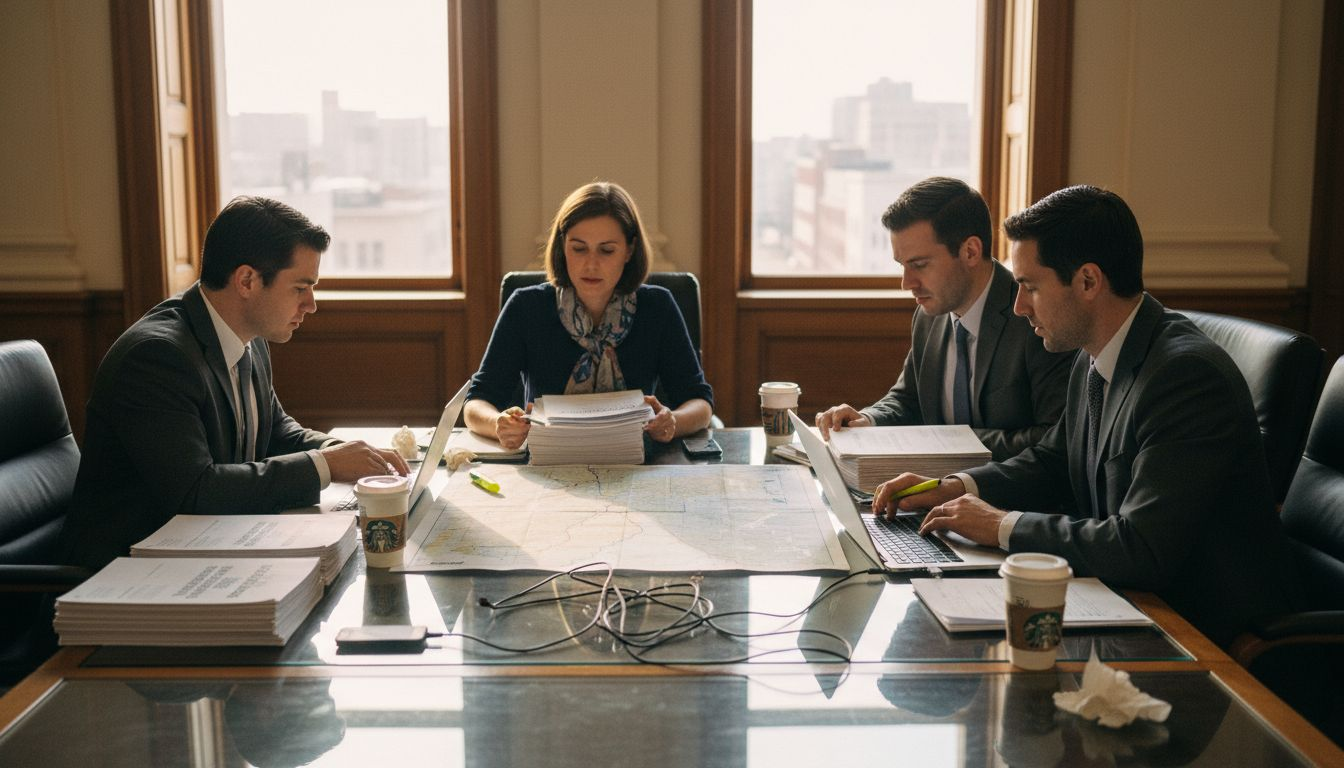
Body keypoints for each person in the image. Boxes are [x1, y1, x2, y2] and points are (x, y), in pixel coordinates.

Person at [873, 185, 1298, 646]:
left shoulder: (1185, 377)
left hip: (1201, 631)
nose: (1018, 306)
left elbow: (1142, 547)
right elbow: (1054, 461)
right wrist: (956, 488)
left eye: (1031, 287)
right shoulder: (1091, 353)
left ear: (1089, 282)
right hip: (1124, 599)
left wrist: (999, 525)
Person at [61, 196, 409, 571]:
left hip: (205, 551)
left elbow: (275, 430)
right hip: (129, 575)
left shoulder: (249, 336)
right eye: (300, 288)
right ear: (247, 281)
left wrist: (344, 452)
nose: (311, 304)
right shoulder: (156, 357)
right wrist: (325, 464)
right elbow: (196, 490)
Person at [814, 177, 1072, 461]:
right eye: (902, 266)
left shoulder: (1034, 315)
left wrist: (947, 441)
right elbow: (908, 398)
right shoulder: (929, 316)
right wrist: (867, 420)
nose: (906, 283)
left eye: (920, 265)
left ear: (970, 252)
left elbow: (1054, 437)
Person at [465, 181, 714, 449]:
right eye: (579, 248)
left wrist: (672, 421)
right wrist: (498, 424)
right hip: (548, 462)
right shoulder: (527, 306)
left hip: (635, 462)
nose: (591, 264)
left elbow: (700, 403)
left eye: (607, 250)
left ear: (629, 250)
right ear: (563, 246)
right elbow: (477, 402)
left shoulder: (658, 307)